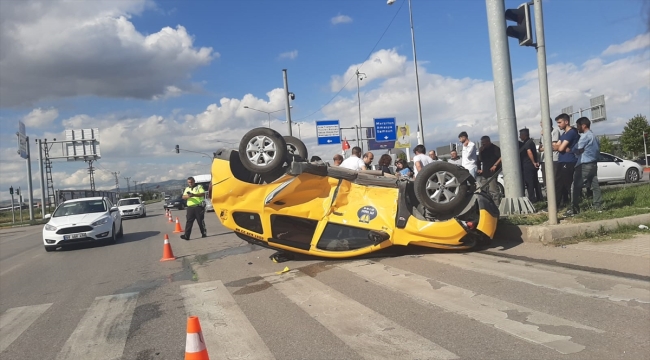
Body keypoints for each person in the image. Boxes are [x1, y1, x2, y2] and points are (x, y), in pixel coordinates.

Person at [569, 117, 602, 216]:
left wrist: (574, 150)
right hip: (593, 163)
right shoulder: (595, 136)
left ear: (584, 126)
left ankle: (574, 209)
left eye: (578, 126)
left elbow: (577, 147)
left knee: (575, 186)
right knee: (594, 185)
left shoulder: (585, 136)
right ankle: (598, 206)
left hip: (584, 163)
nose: (577, 128)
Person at [552, 113, 580, 209]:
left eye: (559, 122)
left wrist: (560, 147)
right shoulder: (564, 134)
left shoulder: (571, 132)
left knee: (568, 185)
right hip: (562, 161)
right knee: (559, 184)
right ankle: (557, 205)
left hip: (569, 161)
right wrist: (560, 147)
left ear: (566, 122)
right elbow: (555, 146)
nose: (558, 125)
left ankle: (574, 206)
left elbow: (559, 148)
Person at [538, 117, 562, 192]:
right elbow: (540, 147)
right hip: (544, 159)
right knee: (546, 180)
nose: (540, 124)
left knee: (554, 179)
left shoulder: (555, 131)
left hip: (553, 159)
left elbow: (554, 146)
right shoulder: (542, 133)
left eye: (541, 122)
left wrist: (544, 148)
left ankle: (557, 198)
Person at [477, 135, 502, 205]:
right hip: (485, 172)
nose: (483, 144)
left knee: (493, 190)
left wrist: (495, 165)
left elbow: (501, 157)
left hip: (492, 172)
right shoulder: (482, 150)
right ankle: (486, 205)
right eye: (482, 143)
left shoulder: (495, 148)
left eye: (484, 143)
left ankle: (497, 205)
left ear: (488, 141)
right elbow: (480, 160)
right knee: (483, 190)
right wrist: (480, 151)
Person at [519, 128, 541, 203]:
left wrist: (533, 162)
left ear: (524, 135)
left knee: (529, 183)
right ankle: (539, 197)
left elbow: (529, 152)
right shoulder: (531, 142)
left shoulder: (527, 143)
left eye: (520, 135)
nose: (519, 137)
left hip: (528, 165)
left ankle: (532, 198)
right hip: (532, 165)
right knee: (535, 182)